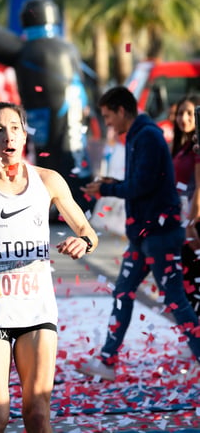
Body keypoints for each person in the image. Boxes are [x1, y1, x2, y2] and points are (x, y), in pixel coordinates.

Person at [0, 101, 98, 433]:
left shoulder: (48, 180)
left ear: (24, 136)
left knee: (38, 414)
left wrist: (81, 243)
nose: (7, 136)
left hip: (37, 313)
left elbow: (88, 232)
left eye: (14, 128)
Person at [79, 86, 200, 381]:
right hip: (144, 233)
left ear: (122, 111)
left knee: (174, 299)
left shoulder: (146, 135)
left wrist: (107, 188)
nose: (107, 123)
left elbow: (142, 186)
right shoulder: (138, 135)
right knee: (123, 291)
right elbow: (139, 182)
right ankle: (107, 360)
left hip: (159, 233)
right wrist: (112, 182)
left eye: (108, 117)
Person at [171, 95, 200, 315]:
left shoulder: (197, 147)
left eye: (190, 113)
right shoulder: (182, 147)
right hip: (183, 221)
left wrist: (191, 223)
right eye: (181, 113)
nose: (184, 118)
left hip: (194, 221)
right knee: (187, 283)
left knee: (193, 284)